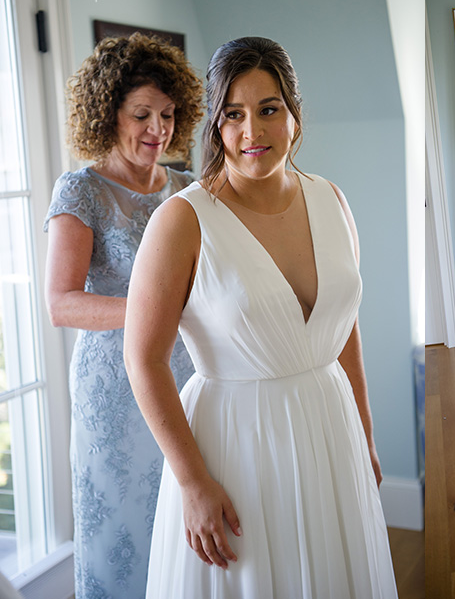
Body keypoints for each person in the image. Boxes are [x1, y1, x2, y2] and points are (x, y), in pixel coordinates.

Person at [123, 36, 398, 598]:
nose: (252, 131)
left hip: (330, 426)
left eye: (269, 109)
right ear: (215, 125)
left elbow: (343, 327)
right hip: (236, 444)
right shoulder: (182, 221)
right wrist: (192, 482)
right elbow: (144, 359)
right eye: (234, 114)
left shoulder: (332, 199)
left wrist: (365, 433)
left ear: (294, 114)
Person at [43, 33, 203, 599]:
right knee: (124, 536)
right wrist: (155, 311)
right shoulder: (81, 191)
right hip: (113, 392)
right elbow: (61, 303)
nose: (158, 129)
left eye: (168, 114)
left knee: (191, 528)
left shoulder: (189, 190)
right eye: (142, 114)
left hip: (185, 378)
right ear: (108, 113)